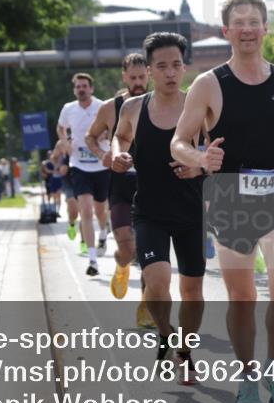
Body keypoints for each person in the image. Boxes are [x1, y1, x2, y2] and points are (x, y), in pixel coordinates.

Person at [171, 0, 274, 403]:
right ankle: (248, 373)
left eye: (256, 21)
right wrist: (200, 157)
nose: (249, 29)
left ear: (266, 28)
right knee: (243, 297)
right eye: (241, 23)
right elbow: (178, 141)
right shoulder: (208, 84)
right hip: (230, 202)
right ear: (227, 31)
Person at [112, 33, 205, 382]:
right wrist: (119, 152)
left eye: (176, 65)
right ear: (149, 70)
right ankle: (166, 333)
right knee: (157, 282)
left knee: (192, 292)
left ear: (184, 67)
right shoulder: (134, 108)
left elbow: (220, 152)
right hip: (149, 210)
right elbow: (120, 135)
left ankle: (184, 349)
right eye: (162, 66)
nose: (170, 72)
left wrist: (199, 166)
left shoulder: (199, 107)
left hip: (191, 211)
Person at [85, 54, 149, 300]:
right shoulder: (110, 108)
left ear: (149, 75)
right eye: (132, 77)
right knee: (127, 246)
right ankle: (122, 266)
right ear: (124, 76)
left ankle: (148, 305)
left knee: (147, 250)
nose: (138, 82)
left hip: (150, 185)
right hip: (120, 185)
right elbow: (91, 136)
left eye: (142, 77)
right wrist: (102, 154)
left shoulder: (159, 103)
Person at [58, 73, 110, 276]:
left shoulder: (102, 107)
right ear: (74, 90)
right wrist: (64, 142)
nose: (81, 89)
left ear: (91, 89)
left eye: (85, 86)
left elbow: (113, 127)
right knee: (86, 211)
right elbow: (60, 127)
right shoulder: (68, 109)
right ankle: (92, 260)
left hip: (101, 165)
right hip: (79, 166)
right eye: (78, 86)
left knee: (100, 211)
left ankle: (104, 232)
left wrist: (105, 134)